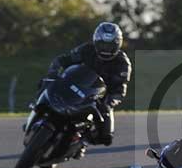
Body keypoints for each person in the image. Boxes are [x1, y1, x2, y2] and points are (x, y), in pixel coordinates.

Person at [42, 22, 131, 150]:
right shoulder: (86, 49)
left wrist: (108, 103)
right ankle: (36, 111)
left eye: (110, 45)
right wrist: (53, 73)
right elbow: (63, 60)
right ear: (96, 41)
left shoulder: (123, 63)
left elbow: (120, 89)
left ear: (118, 44)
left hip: (96, 99)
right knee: (45, 84)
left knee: (106, 137)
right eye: (102, 44)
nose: (106, 49)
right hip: (73, 86)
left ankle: (80, 141)